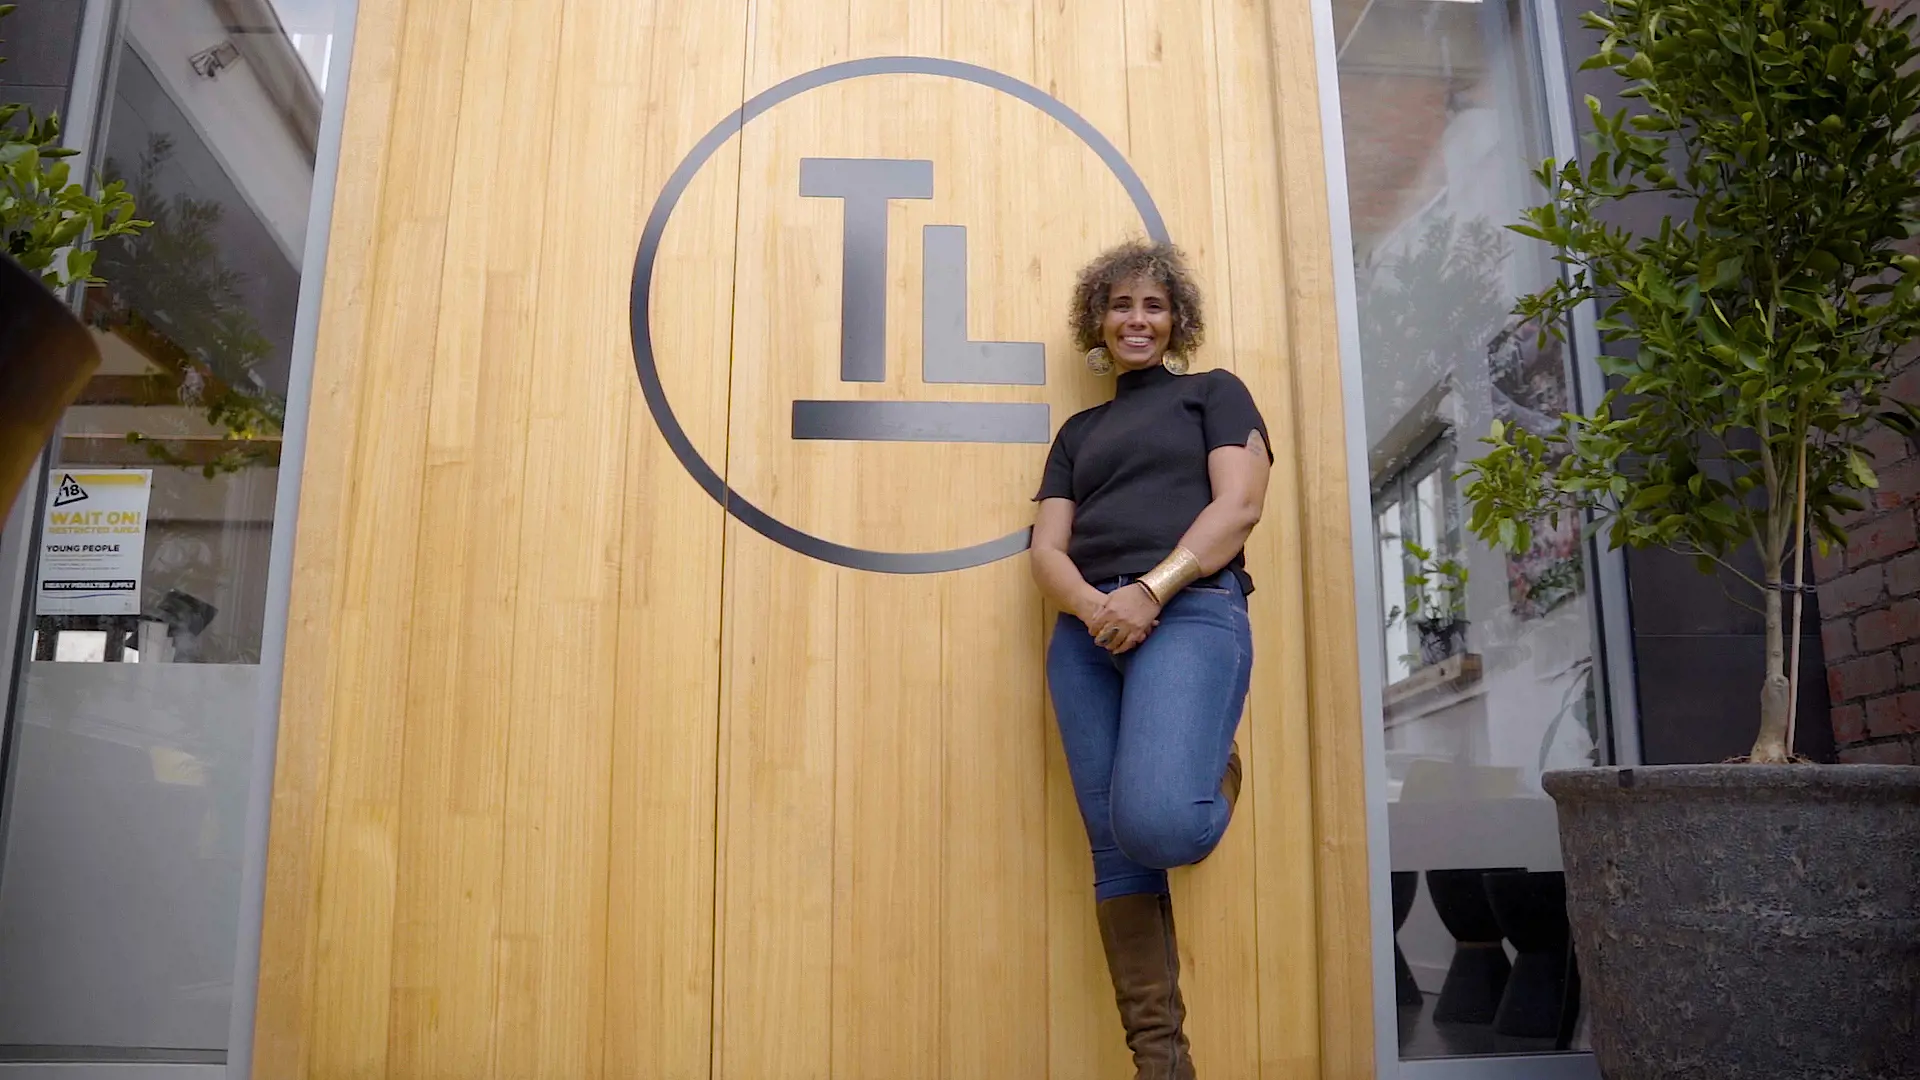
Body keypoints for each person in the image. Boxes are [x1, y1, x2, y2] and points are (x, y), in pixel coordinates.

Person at [1030, 239, 1272, 1079]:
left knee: (1161, 823)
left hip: (1191, 612)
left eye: (1154, 306)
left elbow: (1238, 507)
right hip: (1088, 635)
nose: (1138, 320)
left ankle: (1216, 770)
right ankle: (1162, 1068)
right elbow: (1047, 548)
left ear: (1177, 320)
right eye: (1122, 306)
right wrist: (1095, 605)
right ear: (1098, 321)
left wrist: (1151, 592)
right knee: (1114, 850)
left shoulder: (1214, 394)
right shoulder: (1078, 431)